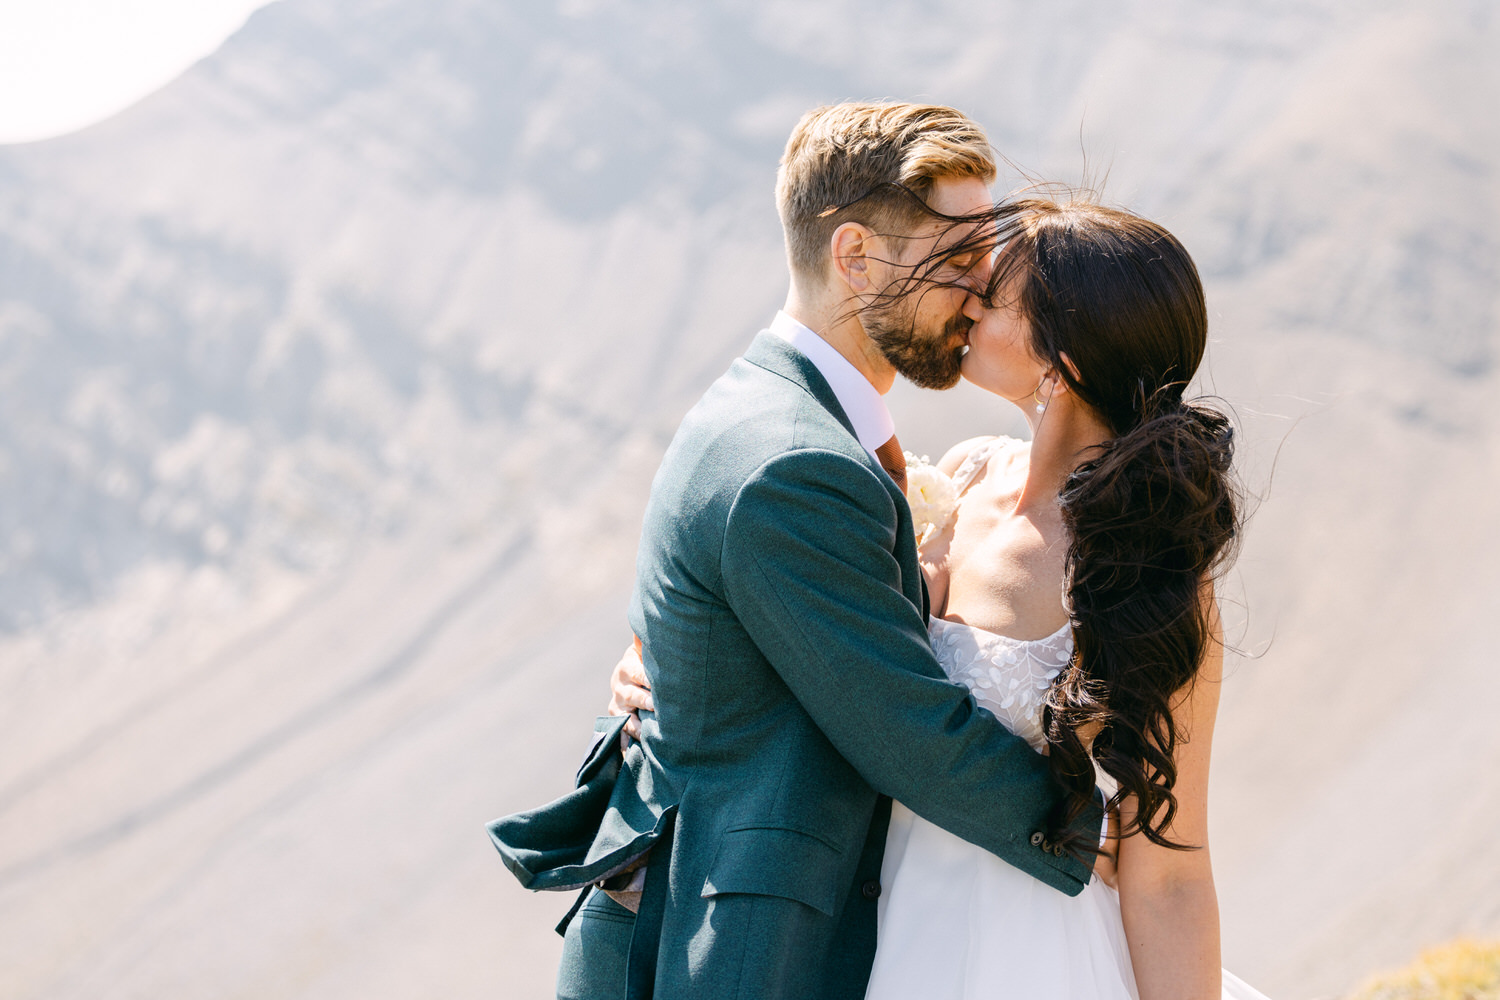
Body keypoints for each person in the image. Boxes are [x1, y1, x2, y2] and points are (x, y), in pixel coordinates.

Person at [487, 102, 1105, 1000]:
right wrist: (1093, 830)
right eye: (958, 257)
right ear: (854, 255)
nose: (981, 287)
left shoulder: (789, 415)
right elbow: (903, 727)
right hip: (719, 950)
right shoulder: (797, 462)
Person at [615, 196, 1273, 999]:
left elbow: (1170, 873)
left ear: (1058, 365)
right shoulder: (958, 480)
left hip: (1025, 952)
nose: (962, 300)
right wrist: (675, 663)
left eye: (990, 293)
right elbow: (837, 643)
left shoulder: (1152, 569)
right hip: (858, 922)